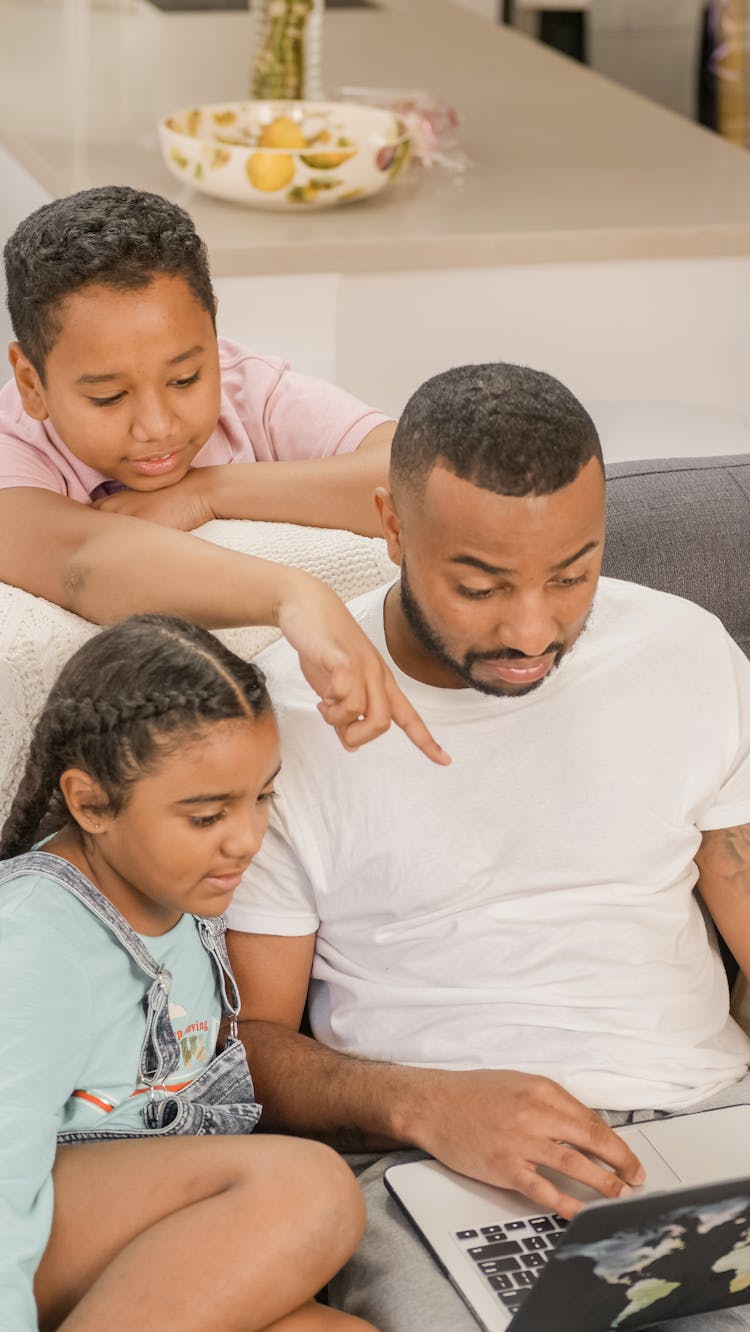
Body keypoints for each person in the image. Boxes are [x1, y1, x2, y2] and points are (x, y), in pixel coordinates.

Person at [224, 363, 750, 1332]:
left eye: (573, 575)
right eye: (480, 585)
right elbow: (246, 1049)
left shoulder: (686, 653)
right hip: (443, 1171)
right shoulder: (285, 724)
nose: (533, 628)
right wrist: (425, 1108)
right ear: (390, 524)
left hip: (711, 1126)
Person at [0, 612, 376, 1332]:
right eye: (207, 817)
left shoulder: (182, 894)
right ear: (90, 803)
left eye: (262, 797)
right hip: (25, 1230)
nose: (247, 839)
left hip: (124, 1233)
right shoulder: (32, 938)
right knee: (310, 1188)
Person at [0, 185, 446, 765]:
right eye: (109, 397)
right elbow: (82, 564)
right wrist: (293, 594)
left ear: (213, 340)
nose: (157, 425)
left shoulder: (247, 388)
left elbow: (421, 479)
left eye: (186, 379)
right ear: (33, 384)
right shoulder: (14, 448)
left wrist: (209, 493)